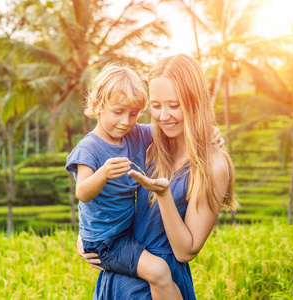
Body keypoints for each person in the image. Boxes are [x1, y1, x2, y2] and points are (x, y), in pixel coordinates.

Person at [79, 54, 238, 299]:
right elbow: (110, 198)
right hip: (120, 277)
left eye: (174, 105)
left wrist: (163, 194)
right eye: (156, 106)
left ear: (195, 102)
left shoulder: (212, 164)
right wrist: (88, 237)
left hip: (160, 284)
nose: (163, 116)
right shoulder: (151, 148)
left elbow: (186, 251)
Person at [66, 63, 184, 299]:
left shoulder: (135, 134)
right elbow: (82, 193)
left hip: (127, 230)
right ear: (99, 105)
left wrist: (210, 131)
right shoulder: (90, 149)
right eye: (118, 112)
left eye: (133, 113)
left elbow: (171, 129)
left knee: (164, 269)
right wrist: (103, 174)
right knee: (159, 271)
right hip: (106, 241)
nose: (126, 121)